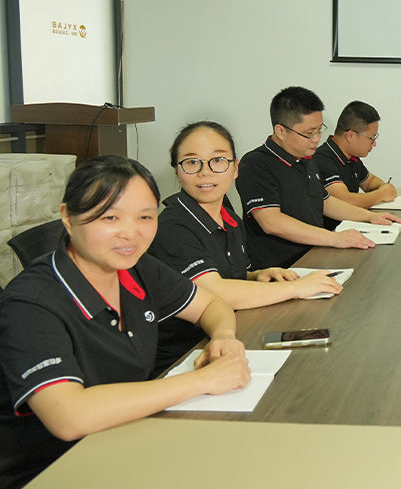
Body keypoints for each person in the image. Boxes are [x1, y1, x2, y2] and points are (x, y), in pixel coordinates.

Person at [0, 156, 250, 488]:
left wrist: (223, 335)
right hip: (49, 471)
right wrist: (202, 380)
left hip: (125, 438)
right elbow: (69, 417)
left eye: (145, 216)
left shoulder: (136, 268)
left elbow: (211, 304)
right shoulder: (31, 302)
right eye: (110, 217)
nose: (130, 233)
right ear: (68, 218)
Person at [149, 121, 344, 374]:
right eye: (192, 162)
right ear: (177, 171)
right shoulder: (172, 227)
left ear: (235, 168)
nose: (205, 172)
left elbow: (223, 274)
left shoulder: (228, 216)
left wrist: (256, 275)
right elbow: (214, 291)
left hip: (234, 334)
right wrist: (297, 288)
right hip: (184, 358)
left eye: (218, 160)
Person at [236, 86, 401, 269]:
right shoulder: (256, 164)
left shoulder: (305, 160)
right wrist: (334, 238)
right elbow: (271, 222)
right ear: (281, 131)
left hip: (315, 256)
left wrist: (370, 217)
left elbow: (325, 202)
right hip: (282, 268)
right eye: (309, 133)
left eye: (319, 130)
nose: (317, 139)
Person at [314, 101, 397, 216]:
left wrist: (384, 188)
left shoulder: (352, 157)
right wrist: (382, 194)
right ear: (350, 136)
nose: (374, 144)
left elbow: (370, 182)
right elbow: (345, 202)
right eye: (371, 138)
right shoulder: (322, 160)